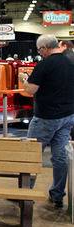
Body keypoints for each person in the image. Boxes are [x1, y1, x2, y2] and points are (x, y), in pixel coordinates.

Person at [24, 34, 74, 209]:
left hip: (46, 118)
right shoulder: (70, 62)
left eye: (40, 50)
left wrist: (25, 80)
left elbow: (30, 90)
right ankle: (58, 194)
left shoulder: (44, 65)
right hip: (67, 116)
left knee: (30, 155)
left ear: (45, 48)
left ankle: (25, 192)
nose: (40, 53)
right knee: (60, 156)